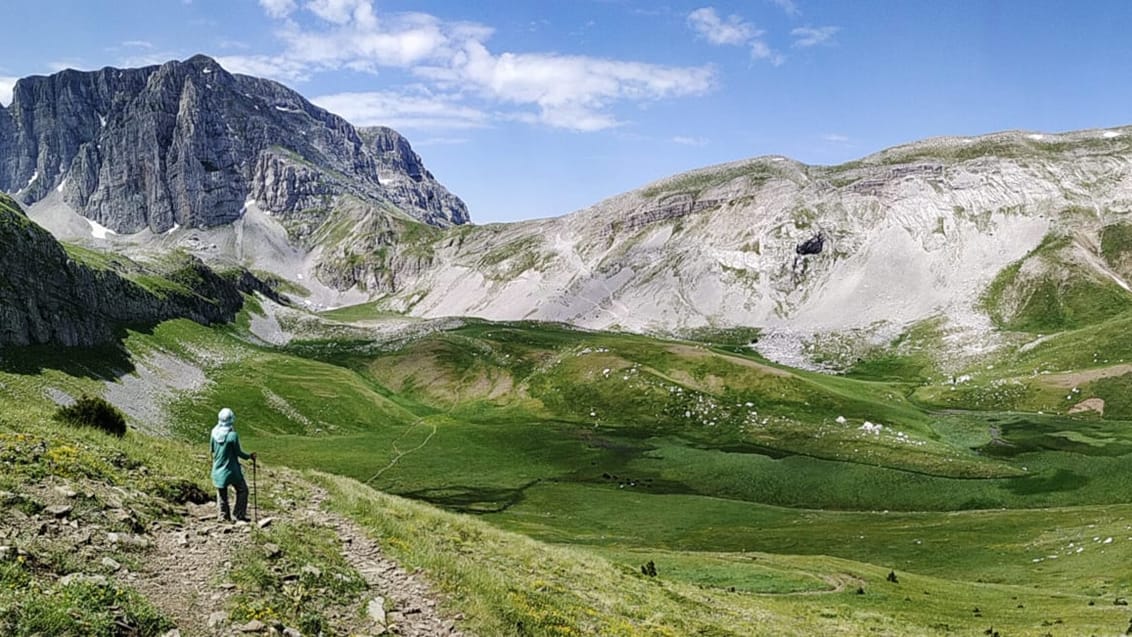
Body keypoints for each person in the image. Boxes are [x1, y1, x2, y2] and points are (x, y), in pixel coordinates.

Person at [210, 407, 256, 522]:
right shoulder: (232, 435)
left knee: (222, 494)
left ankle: (223, 517)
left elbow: (212, 449)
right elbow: (238, 453)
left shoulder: (214, 432)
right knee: (242, 490)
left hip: (217, 470)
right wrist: (249, 456)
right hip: (232, 470)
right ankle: (238, 514)